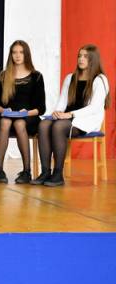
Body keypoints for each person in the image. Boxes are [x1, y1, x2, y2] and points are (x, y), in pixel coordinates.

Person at [33, 44, 110, 187]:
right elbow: (62, 102)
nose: (81, 59)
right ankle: (45, 172)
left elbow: (93, 108)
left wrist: (69, 114)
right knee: (43, 124)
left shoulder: (100, 80)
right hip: (67, 117)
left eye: (85, 56)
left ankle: (58, 174)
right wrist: (57, 112)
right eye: (79, 56)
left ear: (93, 59)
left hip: (85, 120)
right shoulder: (70, 78)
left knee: (58, 127)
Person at [0, 40, 46, 184]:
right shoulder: (2, 76)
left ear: (26, 54)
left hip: (29, 117)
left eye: (21, 52)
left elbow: (41, 108)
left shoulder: (36, 76)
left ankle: (27, 171)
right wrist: (3, 110)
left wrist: (26, 113)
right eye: (14, 52)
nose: (18, 55)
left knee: (19, 123)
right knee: (5, 121)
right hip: (6, 116)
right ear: (11, 55)